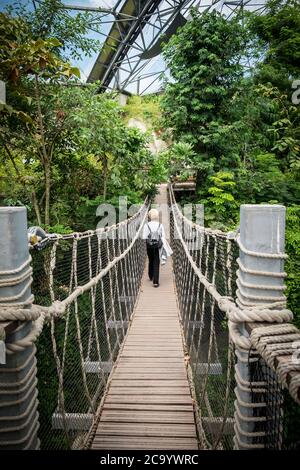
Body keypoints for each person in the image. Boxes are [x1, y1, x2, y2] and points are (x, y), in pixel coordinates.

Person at [142, 208, 172, 287]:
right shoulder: (160, 225)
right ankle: (155, 282)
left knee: (150, 260)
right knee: (156, 261)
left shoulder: (146, 225)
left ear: (149, 216)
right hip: (157, 245)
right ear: (157, 216)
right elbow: (163, 237)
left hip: (149, 246)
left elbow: (144, 237)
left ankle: (150, 275)